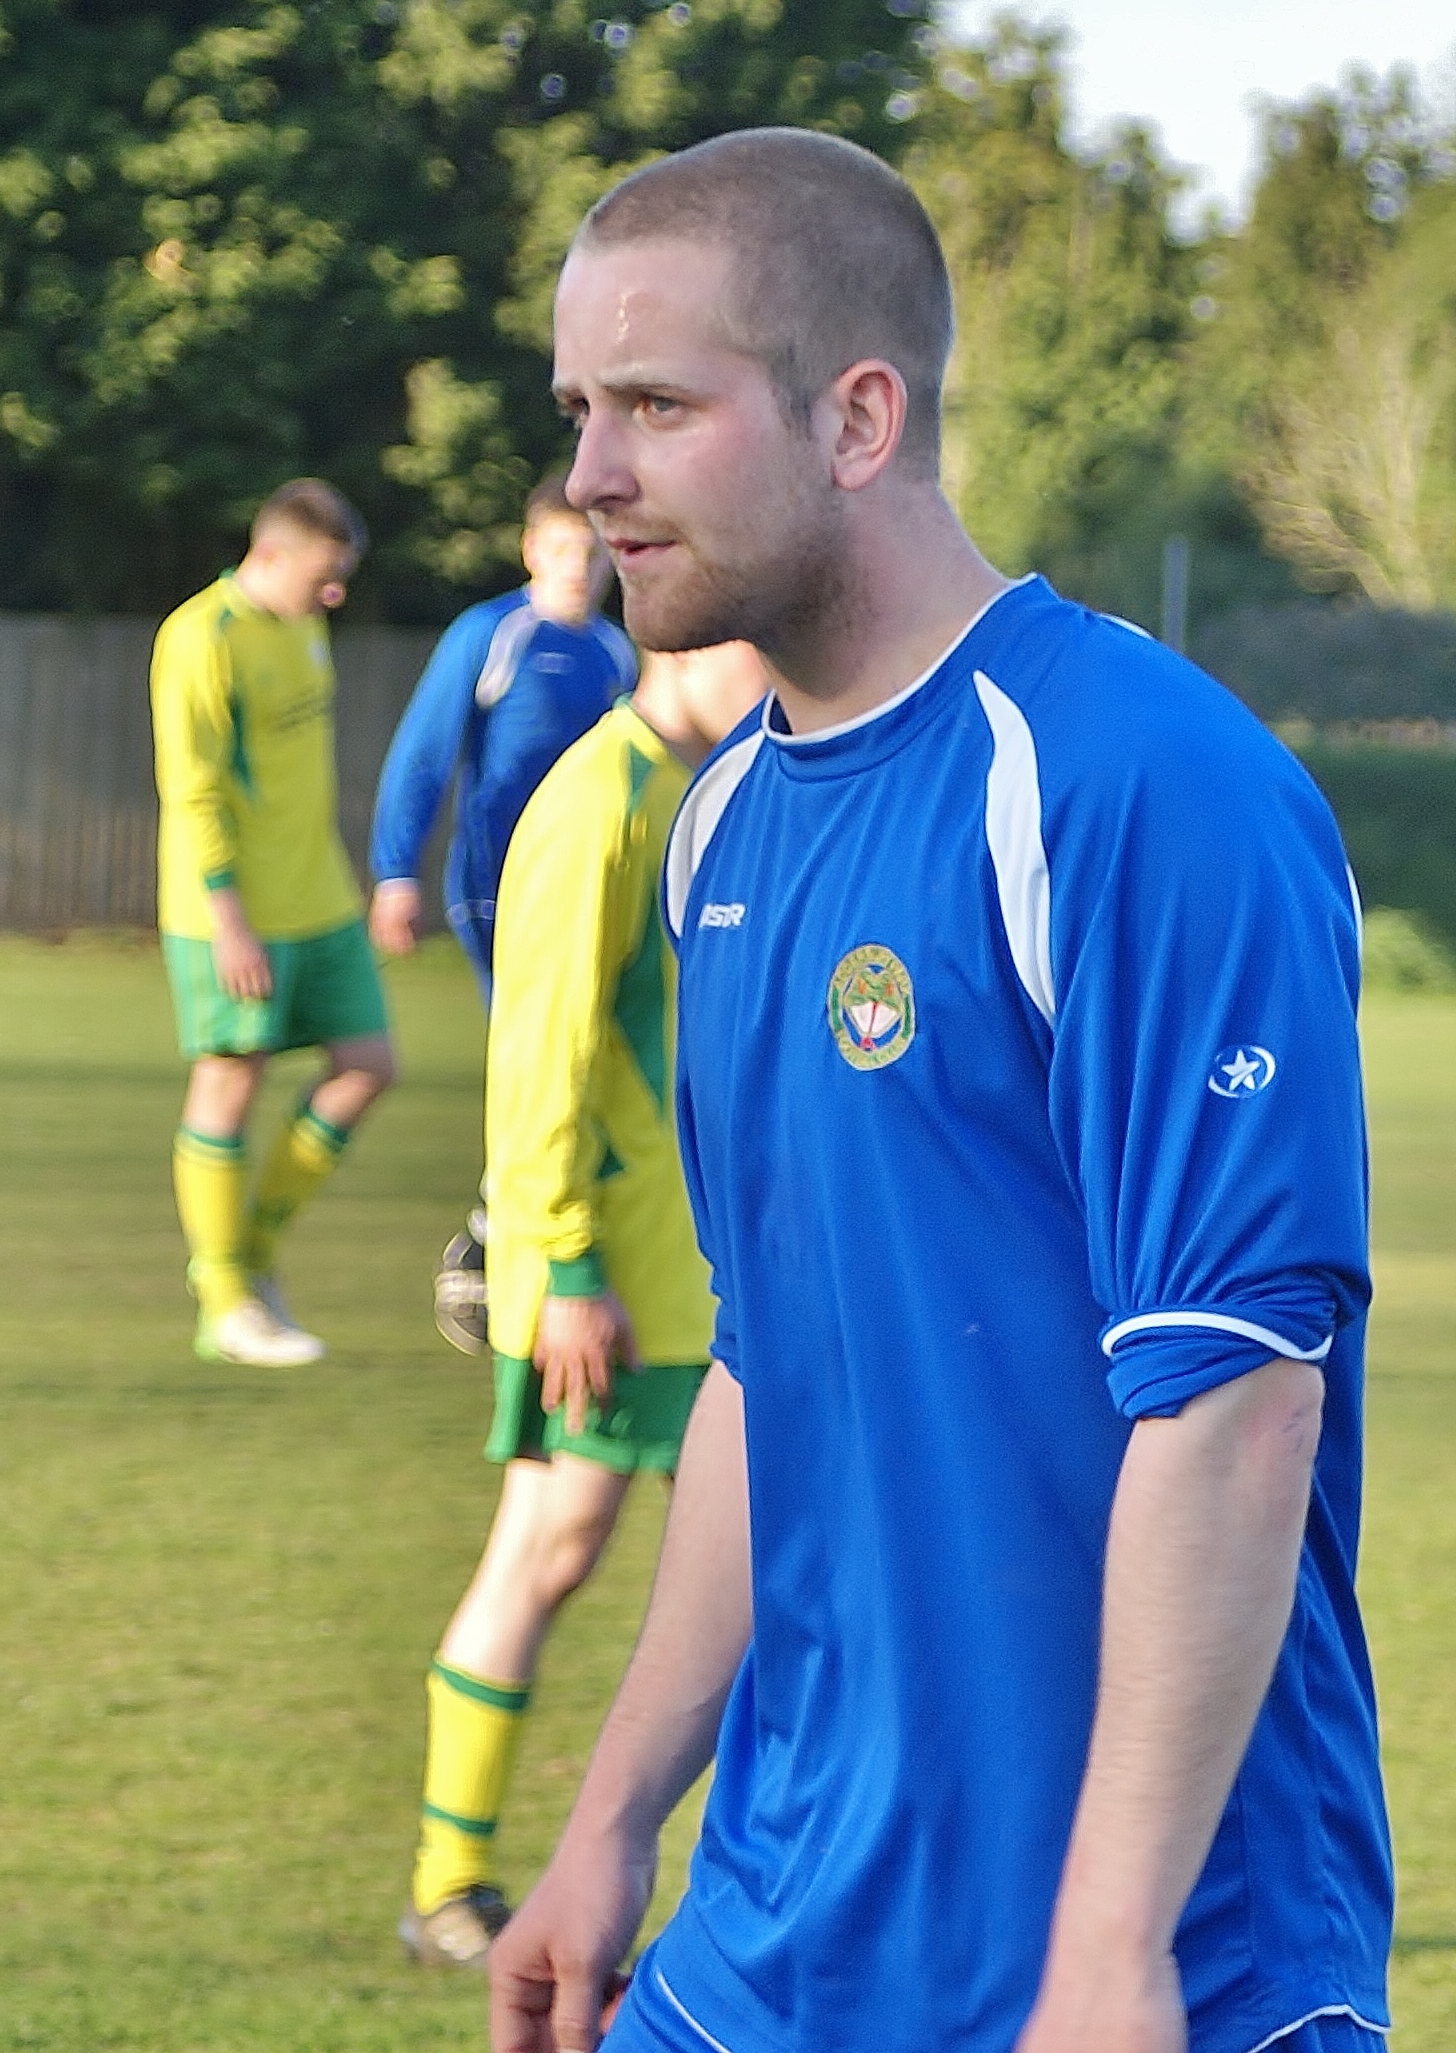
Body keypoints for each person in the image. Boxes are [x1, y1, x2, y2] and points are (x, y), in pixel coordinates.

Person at [488, 129, 1394, 2053]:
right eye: (580, 412)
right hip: (772, 1944)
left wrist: (1111, 1950)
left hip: (1145, 1965)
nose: (592, 477)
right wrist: (612, 1816)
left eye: (656, 405)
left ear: (858, 418)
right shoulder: (720, 826)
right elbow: (765, 1365)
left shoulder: (1138, 782)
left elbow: (1237, 1405)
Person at [398, 637, 767, 1971]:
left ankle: (750, 1905)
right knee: (550, 1550)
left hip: (702, 1275)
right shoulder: (596, 799)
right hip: (613, 1283)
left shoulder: (705, 786)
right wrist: (557, 1265)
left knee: (760, 1577)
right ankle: (449, 1880)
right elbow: (537, 1051)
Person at [150, 478, 395, 1367]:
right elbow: (194, 791)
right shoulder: (200, 638)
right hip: (230, 911)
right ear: (271, 553)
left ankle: (249, 1254)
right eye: (324, 574)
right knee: (230, 1080)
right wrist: (229, 920)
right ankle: (223, 1300)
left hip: (319, 899)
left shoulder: (305, 625)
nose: (335, 593)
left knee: (368, 1066)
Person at [367, 473, 637, 1005]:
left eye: (592, 552)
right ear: (530, 549)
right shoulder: (492, 633)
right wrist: (396, 873)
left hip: (583, 872)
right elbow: (423, 755)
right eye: (561, 549)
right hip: (496, 871)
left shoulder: (616, 651)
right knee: (525, 1025)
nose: (578, 568)